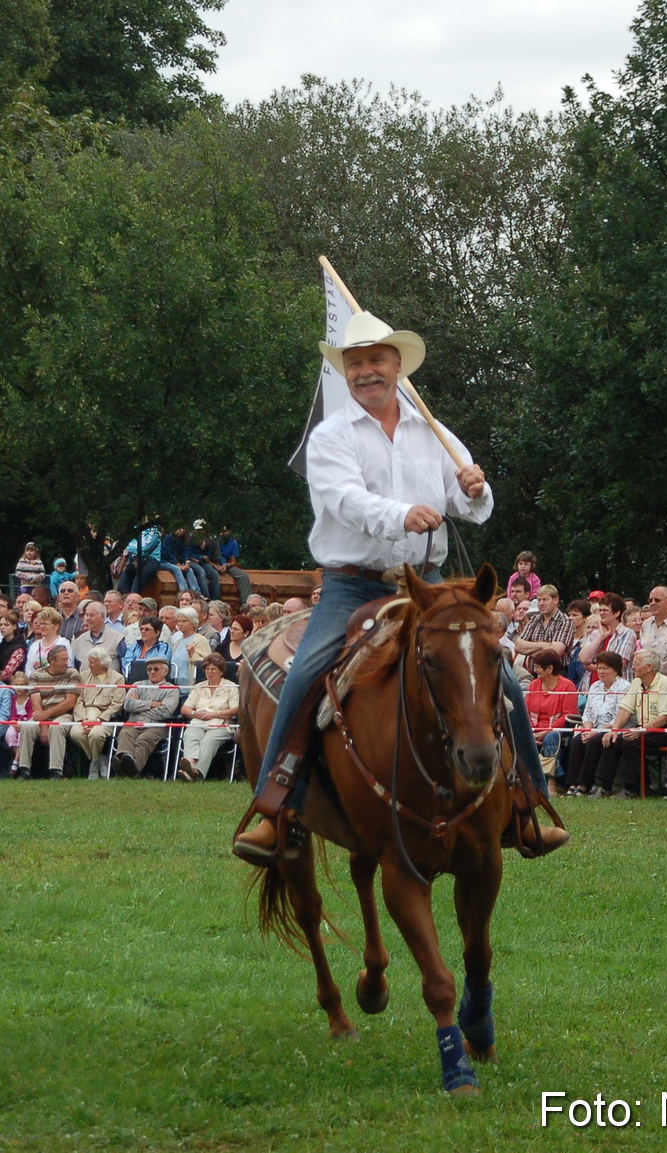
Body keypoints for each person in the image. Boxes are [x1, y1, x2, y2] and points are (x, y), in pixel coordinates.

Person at [232, 311, 565, 862]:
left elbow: (472, 507)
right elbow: (342, 499)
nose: (365, 371)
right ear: (345, 371)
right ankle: (273, 807)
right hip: (350, 587)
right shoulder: (330, 437)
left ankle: (528, 803)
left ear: (397, 366)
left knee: (500, 670)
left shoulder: (429, 429)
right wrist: (400, 514)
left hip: (427, 586)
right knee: (308, 671)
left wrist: (476, 488)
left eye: (375, 360)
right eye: (355, 362)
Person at [593, 650, 667, 798]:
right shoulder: (637, 682)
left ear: (649, 667)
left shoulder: (665, 683)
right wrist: (614, 730)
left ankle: (632, 789)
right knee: (614, 740)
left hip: (664, 731)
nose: (632, 667)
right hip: (642, 728)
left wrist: (641, 730)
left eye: (636, 663)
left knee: (631, 742)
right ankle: (605, 787)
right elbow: (625, 709)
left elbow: (663, 718)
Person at [561, 651, 629, 795]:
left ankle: (585, 784)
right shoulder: (595, 686)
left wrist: (596, 732)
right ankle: (573, 783)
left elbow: (619, 715)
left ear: (616, 670)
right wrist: (587, 729)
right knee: (578, 741)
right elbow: (588, 712)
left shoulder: (625, 687)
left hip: (614, 728)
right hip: (594, 728)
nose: (601, 671)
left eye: (605, 668)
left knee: (594, 741)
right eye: (599, 668)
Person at [18, 645, 78, 779]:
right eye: (63, 660)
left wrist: (46, 715)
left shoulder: (72, 673)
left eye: (67, 659)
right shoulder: (36, 675)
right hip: (41, 714)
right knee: (27, 727)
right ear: (52, 660)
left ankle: (56, 771)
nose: (66, 663)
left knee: (56, 728)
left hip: (63, 714)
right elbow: (35, 703)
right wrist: (43, 724)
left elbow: (70, 702)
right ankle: (24, 769)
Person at [113, 655, 179, 777]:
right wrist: (152, 704)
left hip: (156, 725)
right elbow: (127, 705)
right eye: (149, 669)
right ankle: (124, 759)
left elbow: (164, 711)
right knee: (125, 733)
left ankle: (130, 769)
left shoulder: (172, 689)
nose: (152, 672)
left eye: (156, 669)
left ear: (166, 671)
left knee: (144, 739)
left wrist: (138, 707)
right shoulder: (138, 684)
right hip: (134, 722)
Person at [179, 652, 239, 781]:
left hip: (222, 724)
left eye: (213, 669)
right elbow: (185, 708)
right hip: (199, 722)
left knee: (208, 741)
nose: (210, 672)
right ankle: (190, 763)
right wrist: (195, 713)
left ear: (221, 671)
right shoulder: (199, 687)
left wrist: (215, 713)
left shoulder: (231, 687)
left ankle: (197, 773)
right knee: (190, 734)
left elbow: (235, 709)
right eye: (207, 669)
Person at [523, 651, 578, 792]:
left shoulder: (568, 686)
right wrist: (532, 733)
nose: (535, 670)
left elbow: (567, 715)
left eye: (539, 667)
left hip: (557, 730)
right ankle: (527, 780)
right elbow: (526, 712)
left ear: (550, 669)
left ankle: (551, 782)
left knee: (552, 737)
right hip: (534, 730)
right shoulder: (533, 685)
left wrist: (546, 731)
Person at [69, 648, 127, 778]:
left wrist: (99, 720)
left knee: (95, 734)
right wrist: (83, 719)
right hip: (85, 715)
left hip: (105, 717)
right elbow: (78, 700)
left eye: (92, 662)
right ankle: (98, 760)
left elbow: (117, 704)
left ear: (102, 663)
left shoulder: (117, 678)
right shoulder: (83, 676)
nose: (89, 665)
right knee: (76, 733)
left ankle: (93, 764)